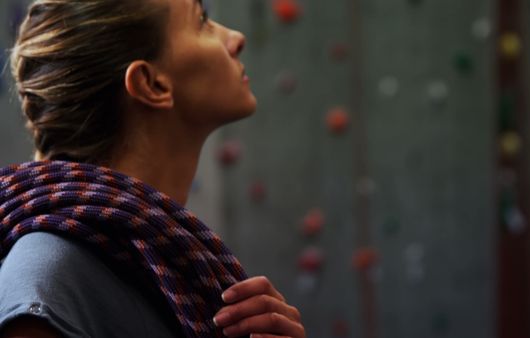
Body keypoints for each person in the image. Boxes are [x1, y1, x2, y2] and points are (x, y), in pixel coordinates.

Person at [0, 0, 305, 337]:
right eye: (202, 21)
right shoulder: (50, 284)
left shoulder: (155, 266)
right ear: (152, 84)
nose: (236, 38)